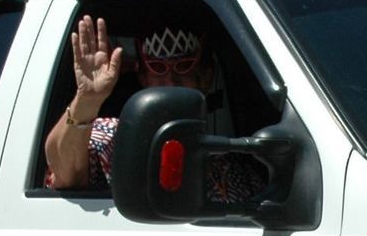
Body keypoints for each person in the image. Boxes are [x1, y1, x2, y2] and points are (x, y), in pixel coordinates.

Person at [42, 15, 266, 202]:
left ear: (206, 78)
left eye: (184, 68)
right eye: (158, 69)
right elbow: (64, 169)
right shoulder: (113, 138)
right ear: (143, 78)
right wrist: (87, 100)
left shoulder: (232, 170)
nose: (170, 81)